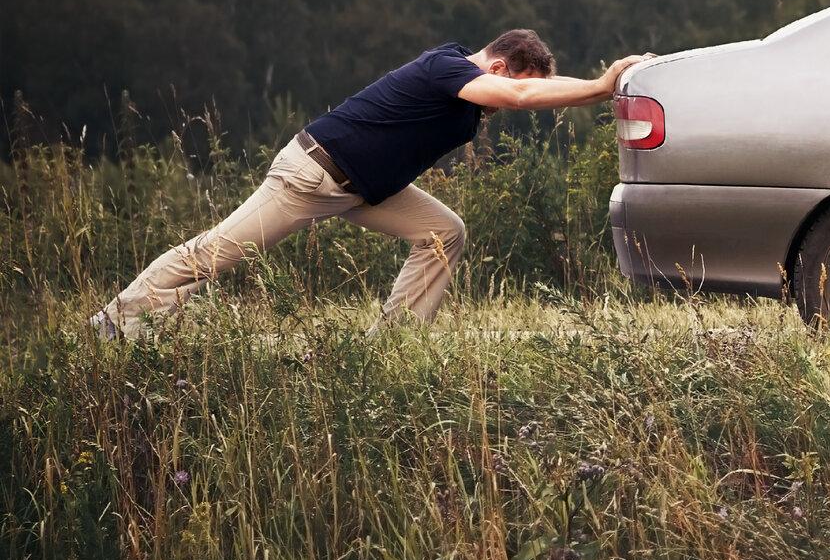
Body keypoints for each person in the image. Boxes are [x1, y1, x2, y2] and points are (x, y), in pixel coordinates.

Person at [90, 29, 651, 340]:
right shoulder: (449, 68)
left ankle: (395, 342)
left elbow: (522, 95)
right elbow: (520, 97)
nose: (511, 104)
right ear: (501, 68)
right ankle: (116, 323)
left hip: (362, 190)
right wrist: (604, 86)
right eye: (518, 86)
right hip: (310, 176)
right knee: (215, 255)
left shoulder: (470, 85)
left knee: (443, 232)